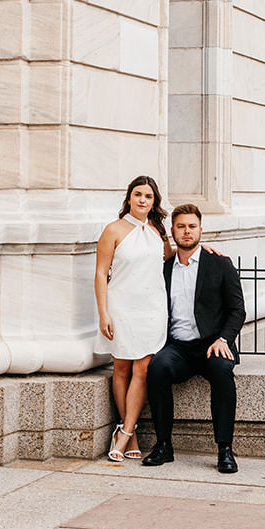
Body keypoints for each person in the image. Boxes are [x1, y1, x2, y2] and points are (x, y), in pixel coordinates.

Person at [142, 203, 244, 474]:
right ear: (173, 231)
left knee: (223, 372)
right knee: (157, 368)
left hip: (213, 344)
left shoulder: (220, 264)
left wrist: (224, 339)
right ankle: (164, 445)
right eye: (181, 226)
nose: (187, 232)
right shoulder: (163, 268)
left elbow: (237, 310)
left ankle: (225, 448)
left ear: (201, 229)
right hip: (179, 347)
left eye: (192, 226)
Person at [93, 175, 169, 461]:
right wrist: (104, 313)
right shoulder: (113, 230)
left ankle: (123, 433)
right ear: (128, 198)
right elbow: (101, 273)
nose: (142, 200)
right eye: (138, 194)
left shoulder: (158, 231)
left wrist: (206, 249)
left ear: (154, 202)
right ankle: (130, 433)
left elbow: (173, 256)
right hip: (121, 307)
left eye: (148, 196)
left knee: (143, 369)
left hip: (152, 309)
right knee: (122, 369)